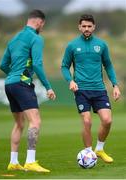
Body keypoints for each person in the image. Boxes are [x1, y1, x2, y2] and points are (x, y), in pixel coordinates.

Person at [0, 9, 56, 172]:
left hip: (9, 84)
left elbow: (3, 65)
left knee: (19, 123)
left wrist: (14, 75)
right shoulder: (36, 38)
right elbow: (37, 64)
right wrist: (48, 87)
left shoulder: (14, 39)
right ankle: (30, 161)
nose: (42, 27)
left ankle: (13, 162)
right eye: (43, 25)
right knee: (35, 121)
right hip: (22, 84)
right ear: (39, 22)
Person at [61, 14, 121, 163]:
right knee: (87, 121)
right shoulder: (72, 45)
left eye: (89, 26)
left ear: (94, 27)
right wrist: (70, 81)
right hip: (81, 90)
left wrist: (115, 85)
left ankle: (99, 149)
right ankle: (88, 154)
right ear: (79, 27)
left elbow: (108, 65)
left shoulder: (101, 45)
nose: (87, 29)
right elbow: (64, 66)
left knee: (107, 121)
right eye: (84, 26)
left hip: (99, 89)